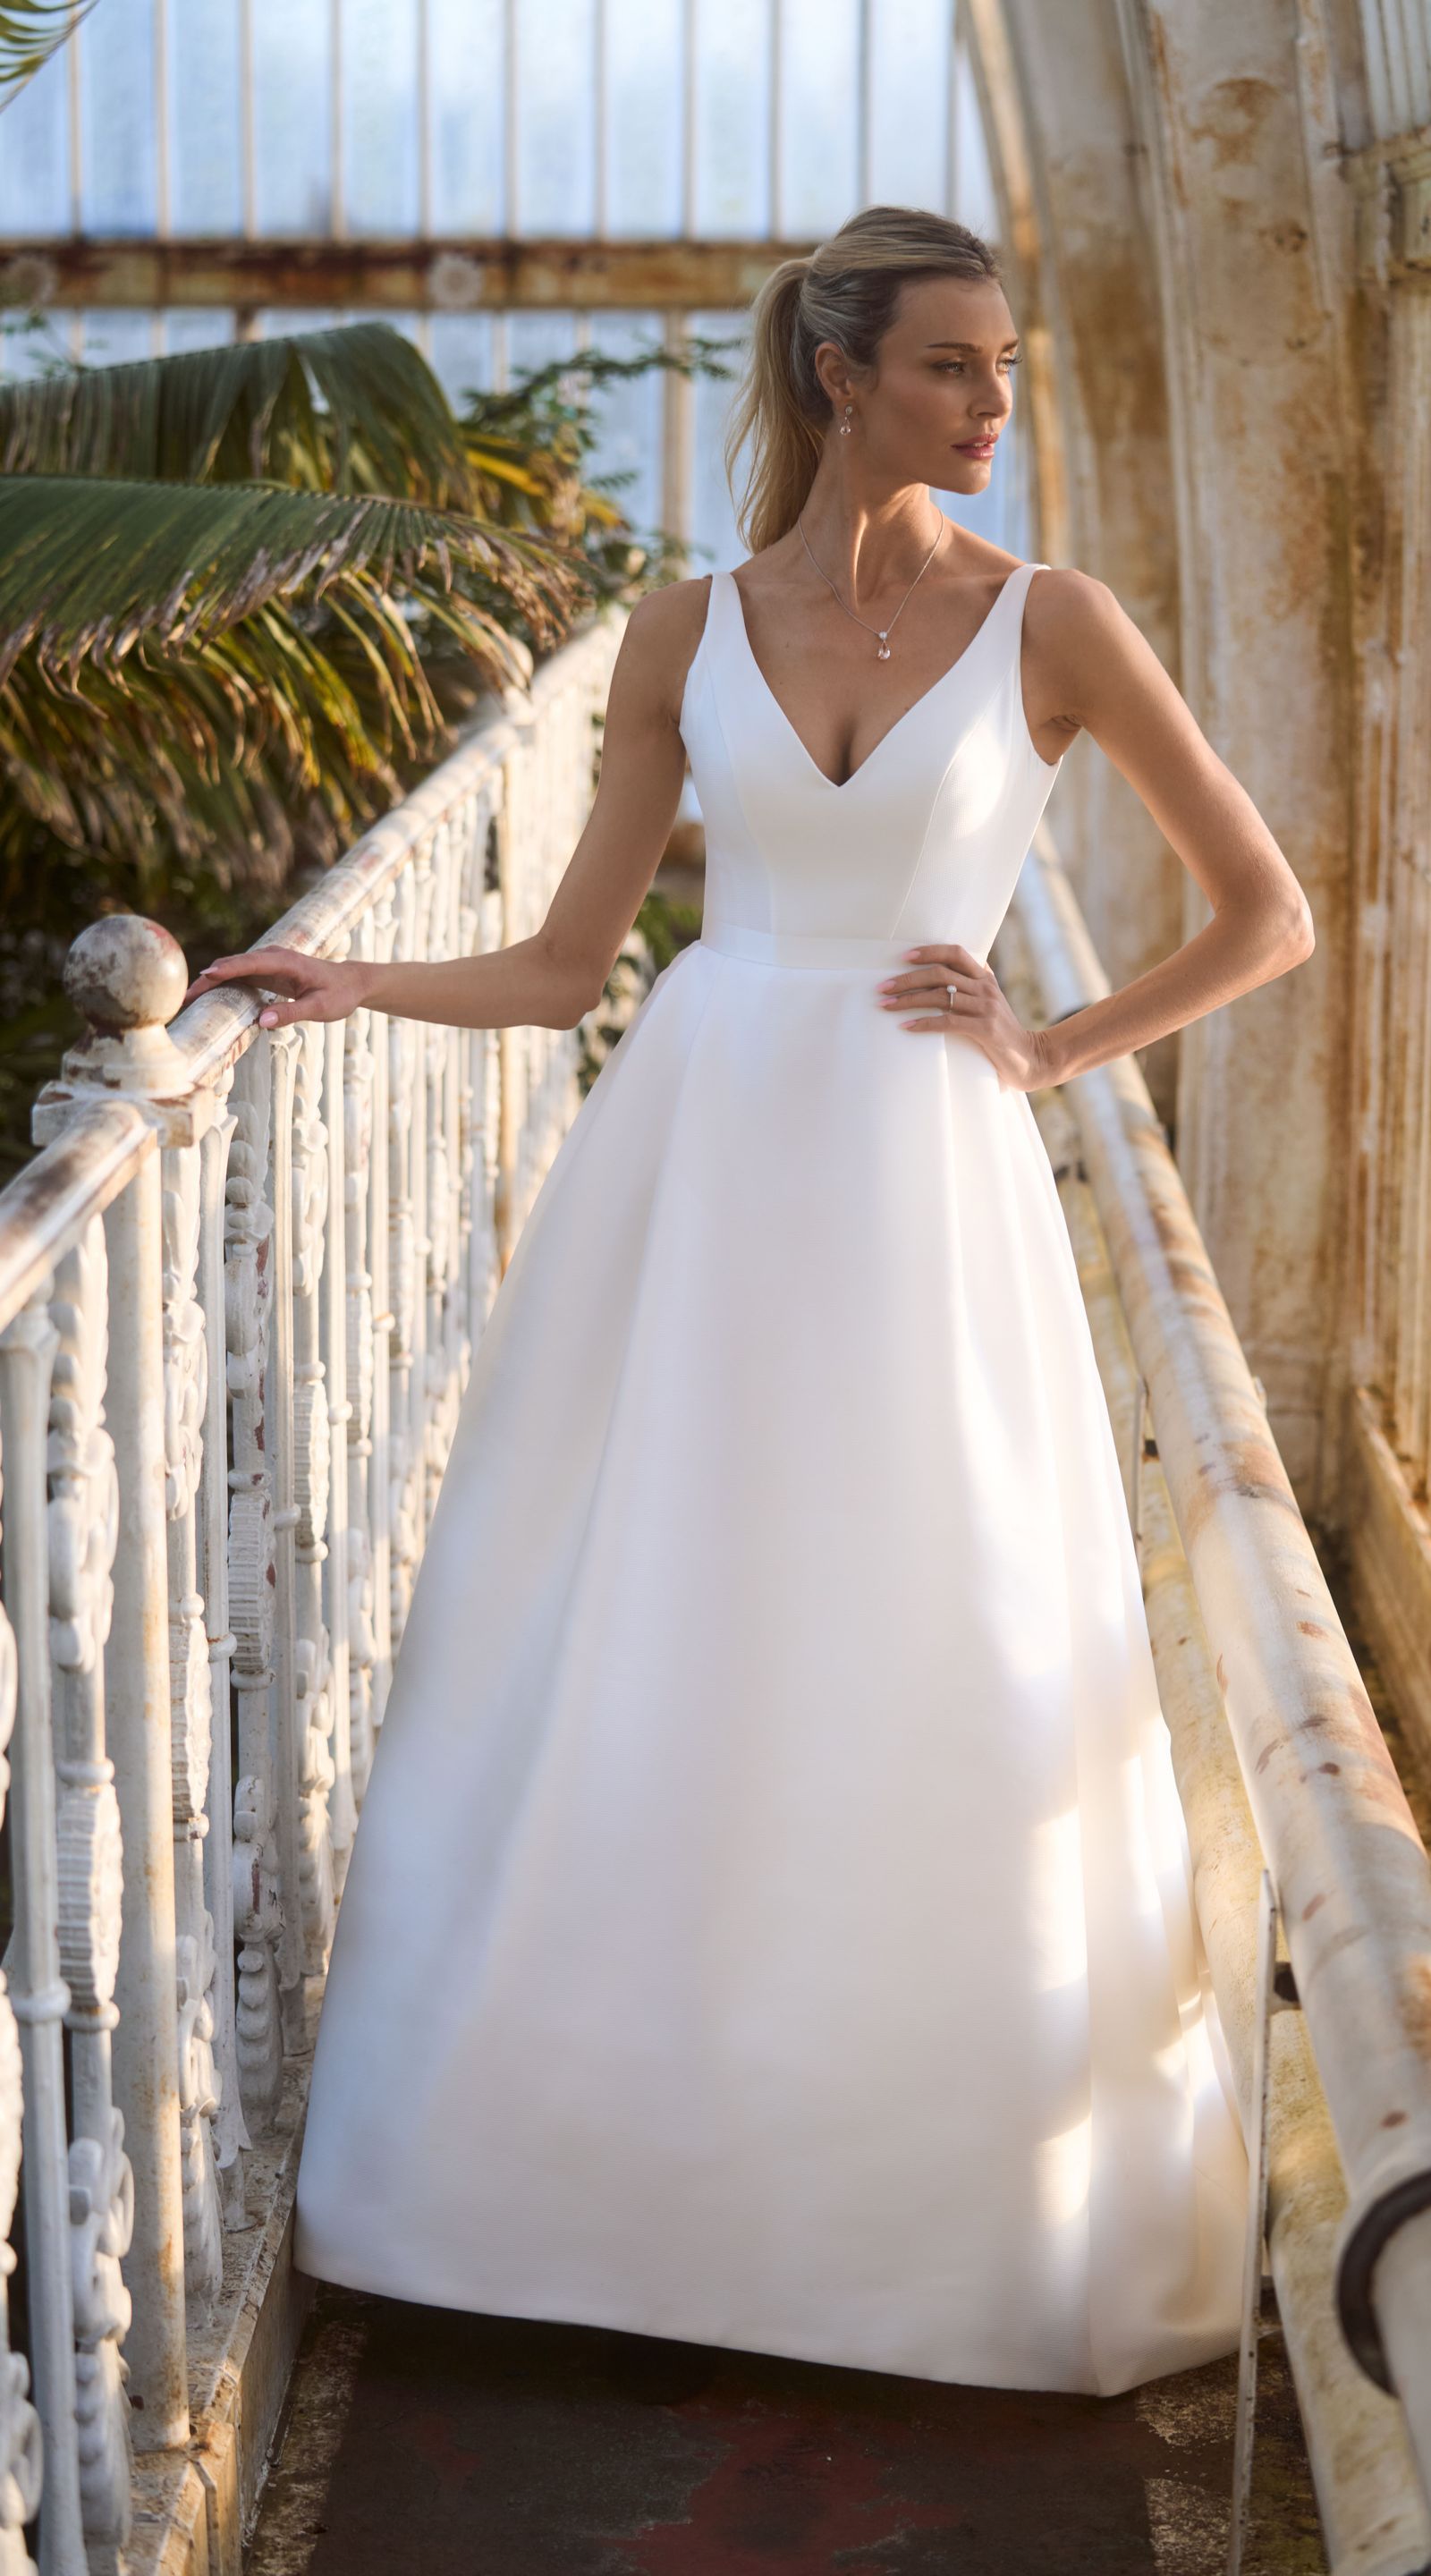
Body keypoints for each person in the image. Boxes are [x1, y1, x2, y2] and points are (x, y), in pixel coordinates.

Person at [187, 205, 1313, 2399]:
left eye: (1008, 369)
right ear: (837, 376)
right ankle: (600, 2202)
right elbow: (553, 968)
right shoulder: (675, 631)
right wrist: (338, 981)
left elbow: (1266, 913)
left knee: (936, 1633)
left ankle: (939, 2226)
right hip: (694, 1170)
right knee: (657, 1629)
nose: (998, 406)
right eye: (955, 369)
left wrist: (1051, 1048)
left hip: (925, 1179)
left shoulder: (1052, 621)